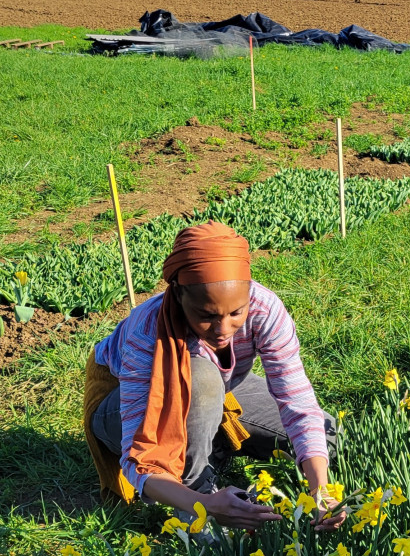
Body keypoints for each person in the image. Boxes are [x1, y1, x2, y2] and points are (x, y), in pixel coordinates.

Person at [84, 220, 343, 532]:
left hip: (219, 387)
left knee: (326, 438)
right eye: (206, 316)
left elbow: (298, 404)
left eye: (236, 314)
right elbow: (137, 457)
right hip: (117, 402)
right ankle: (195, 495)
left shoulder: (264, 309)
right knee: (200, 379)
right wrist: (203, 505)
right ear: (179, 295)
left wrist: (321, 491)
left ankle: (212, 444)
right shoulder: (148, 331)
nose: (223, 330)